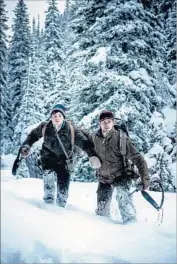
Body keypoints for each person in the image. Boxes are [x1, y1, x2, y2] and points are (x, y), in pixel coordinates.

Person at [20, 103, 101, 207]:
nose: (57, 118)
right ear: (51, 117)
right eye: (54, 116)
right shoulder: (45, 126)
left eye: (59, 115)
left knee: (62, 193)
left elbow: (84, 143)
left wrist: (92, 155)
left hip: (64, 162)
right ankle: (47, 206)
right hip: (48, 159)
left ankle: (60, 210)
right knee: (48, 185)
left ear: (63, 117)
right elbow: (33, 135)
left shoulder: (72, 129)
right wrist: (26, 146)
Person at [83, 110, 149, 224]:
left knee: (123, 199)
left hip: (121, 176)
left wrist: (145, 179)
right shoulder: (94, 137)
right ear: (99, 123)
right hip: (104, 178)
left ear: (113, 122)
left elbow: (139, 159)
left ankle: (132, 227)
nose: (106, 124)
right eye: (103, 122)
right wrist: (91, 156)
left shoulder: (121, 140)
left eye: (109, 121)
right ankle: (104, 229)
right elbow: (83, 141)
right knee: (101, 213)